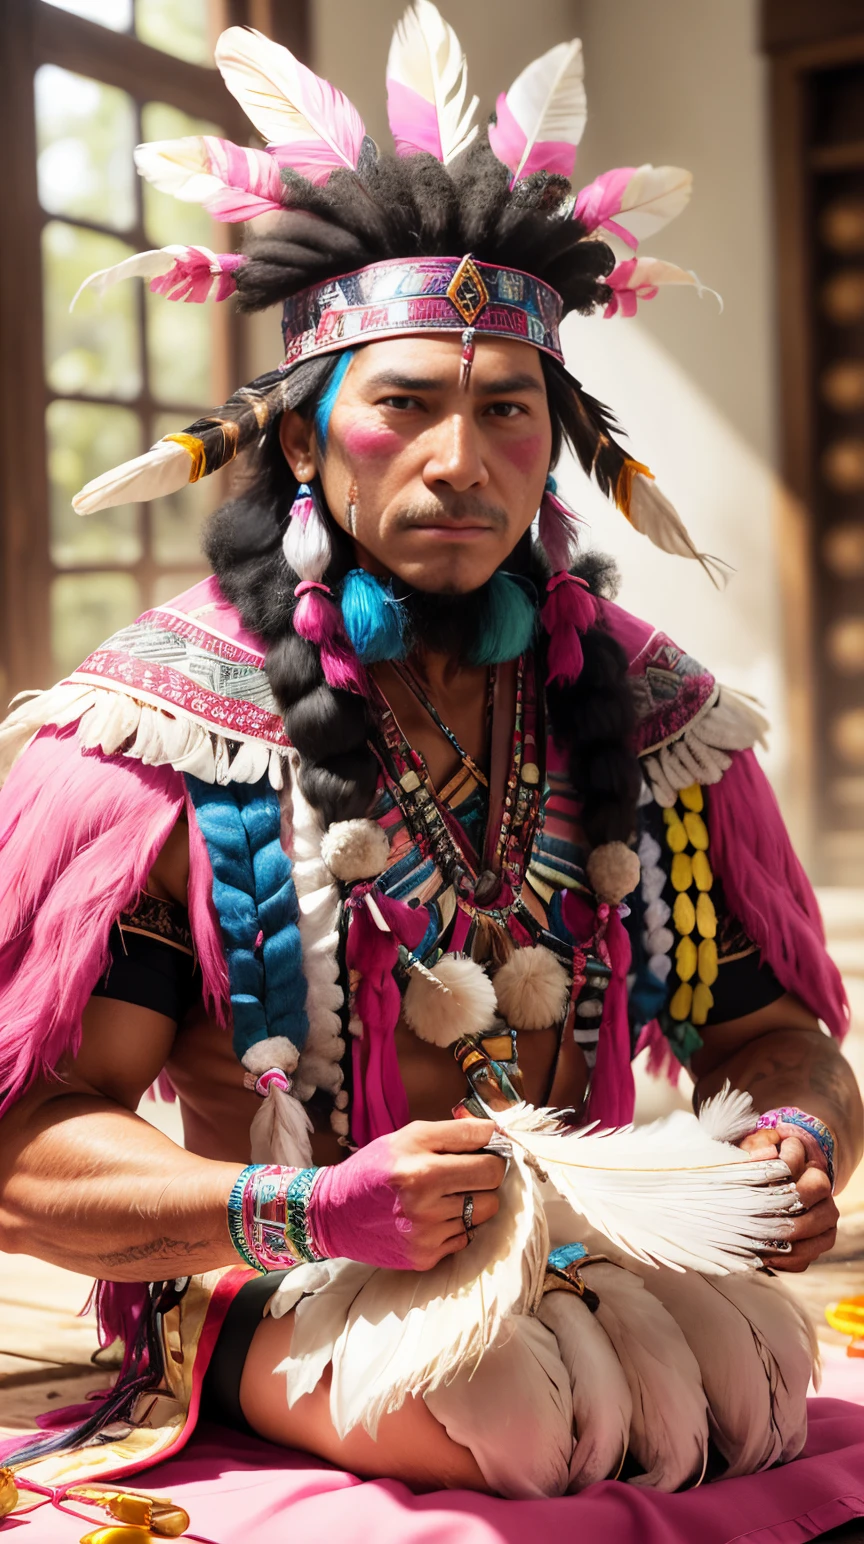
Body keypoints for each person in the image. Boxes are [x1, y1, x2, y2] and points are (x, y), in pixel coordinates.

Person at [0, 6, 861, 1517]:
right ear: (306, 440)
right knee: (522, 1419)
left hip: (574, 1246)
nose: (460, 460)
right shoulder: (172, 734)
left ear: (558, 444)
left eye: (507, 410)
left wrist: (795, 1135)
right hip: (274, 1281)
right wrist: (304, 1206)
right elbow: (24, 1152)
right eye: (403, 405)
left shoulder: (656, 723)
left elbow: (774, 1037)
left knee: (749, 1377)